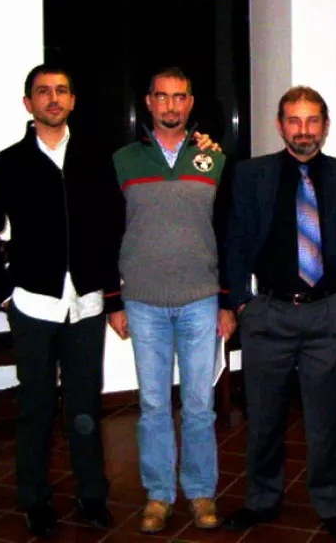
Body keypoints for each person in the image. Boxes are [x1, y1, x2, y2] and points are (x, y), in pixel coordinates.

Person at [0, 64, 124, 537]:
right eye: (42, 92)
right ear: (28, 103)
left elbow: (115, 226)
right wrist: (6, 293)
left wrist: (112, 290)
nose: (52, 98)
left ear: (73, 101)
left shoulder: (98, 159)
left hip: (87, 304)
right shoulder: (8, 163)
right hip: (33, 304)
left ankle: (91, 496)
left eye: (60, 91)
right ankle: (33, 499)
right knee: (34, 406)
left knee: (83, 406)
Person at [222, 86, 336, 540]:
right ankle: (261, 499)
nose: (303, 130)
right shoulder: (251, 175)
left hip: (327, 314)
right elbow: (234, 241)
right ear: (279, 125)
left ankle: (331, 504)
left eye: (312, 121)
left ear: (325, 125)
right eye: (294, 120)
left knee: (327, 419)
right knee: (263, 417)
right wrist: (241, 304)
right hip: (267, 314)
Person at [111, 66, 236, 534]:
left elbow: (228, 234)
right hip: (142, 301)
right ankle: (159, 495)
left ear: (190, 102)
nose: (170, 106)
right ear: (148, 102)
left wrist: (227, 301)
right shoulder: (123, 160)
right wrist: (113, 302)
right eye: (161, 97)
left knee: (200, 404)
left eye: (179, 97)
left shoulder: (215, 160)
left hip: (201, 301)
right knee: (153, 404)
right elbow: (109, 231)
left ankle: (201, 492)